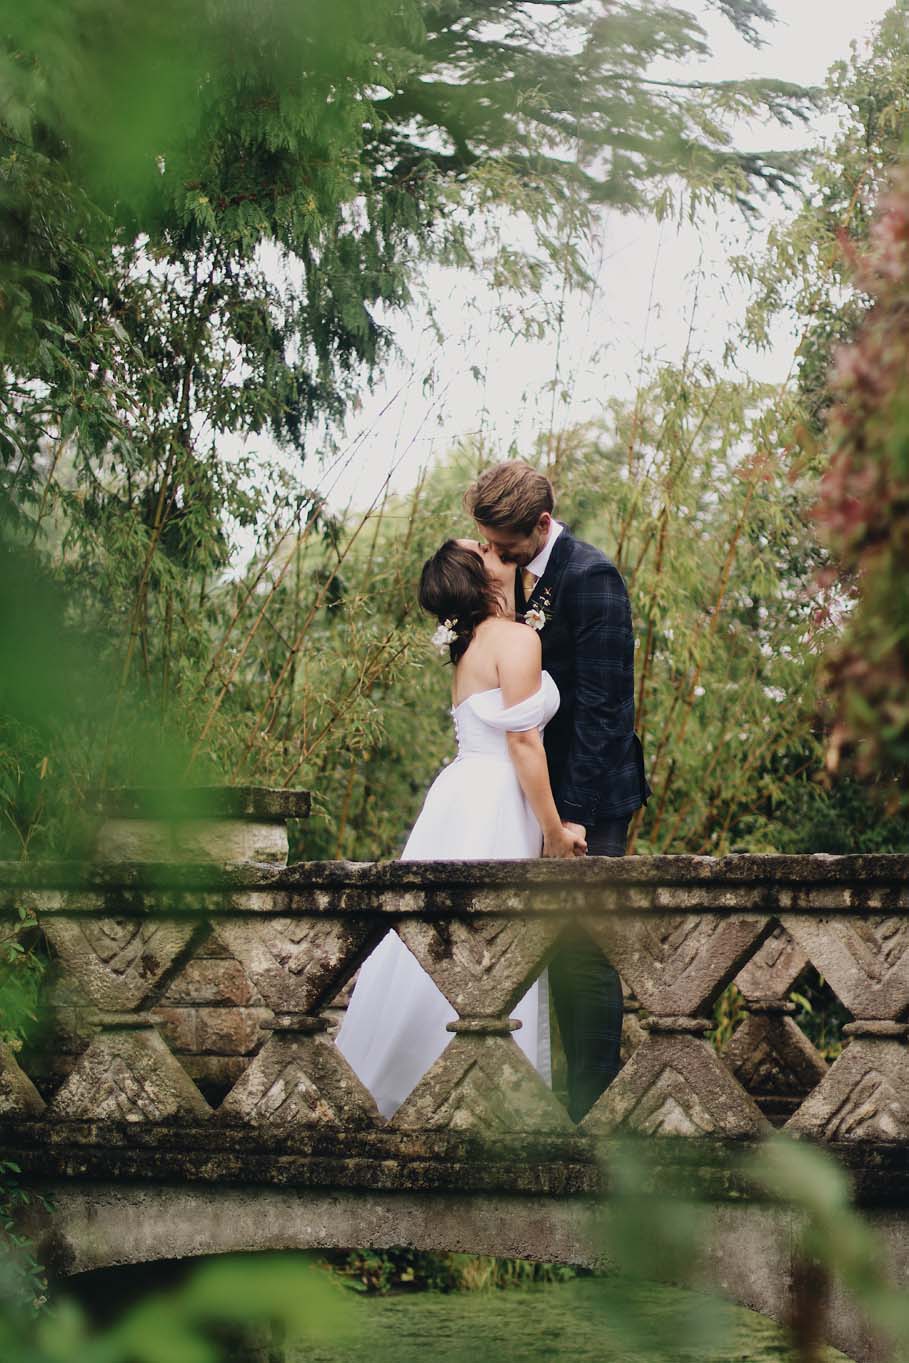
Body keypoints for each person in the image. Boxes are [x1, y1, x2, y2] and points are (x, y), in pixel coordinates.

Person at [335, 538, 583, 1118]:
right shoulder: (518, 639)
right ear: (483, 579)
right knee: (494, 942)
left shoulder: (470, 646)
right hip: (497, 800)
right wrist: (553, 830)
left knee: (441, 942)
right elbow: (523, 743)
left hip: (460, 795)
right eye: (484, 548)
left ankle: (422, 1081)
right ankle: (489, 1098)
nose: (495, 546)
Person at [465, 460, 651, 1121]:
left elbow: (604, 714)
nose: (492, 551)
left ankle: (592, 1109)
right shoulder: (511, 573)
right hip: (531, 790)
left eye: (501, 541)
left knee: (582, 949)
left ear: (541, 525)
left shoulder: (590, 576)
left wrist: (565, 818)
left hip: (589, 795)